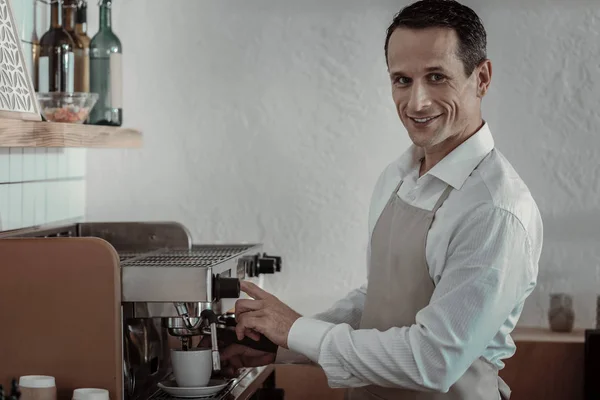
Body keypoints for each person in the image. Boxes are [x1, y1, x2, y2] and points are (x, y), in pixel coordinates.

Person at [216, 0, 543, 399]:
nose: (416, 102)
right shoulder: (398, 176)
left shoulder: (496, 209)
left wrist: (296, 330)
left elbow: (433, 360)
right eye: (402, 80)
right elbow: (380, 305)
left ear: (482, 78)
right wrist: (280, 342)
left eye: (436, 76)